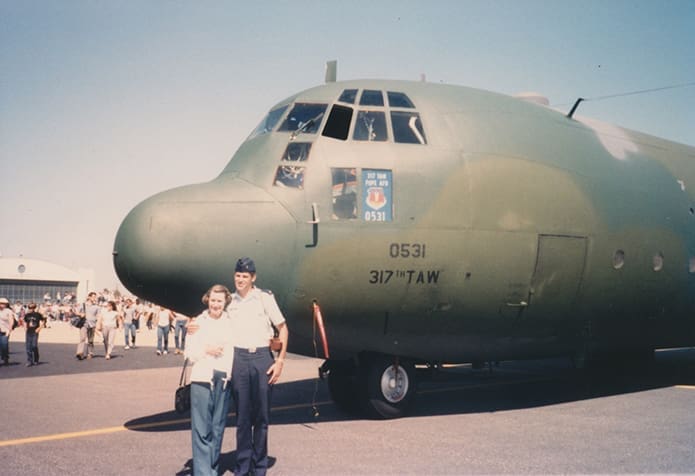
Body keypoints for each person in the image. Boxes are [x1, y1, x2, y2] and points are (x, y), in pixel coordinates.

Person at [228, 257, 288, 476]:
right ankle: (243, 467)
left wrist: (280, 360)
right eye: (238, 275)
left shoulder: (264, 298)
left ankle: (259, 466)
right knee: (242, 417)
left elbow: (283, 328)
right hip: (239, 359)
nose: (240, 280)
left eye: (245, 276)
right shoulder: (229, 301)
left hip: (262, 358)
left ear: (253, 278)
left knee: (261, 417)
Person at [185, 284, 235, 476]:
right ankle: (203, 472)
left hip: (223, 378)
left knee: (217, 428)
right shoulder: (198, 322)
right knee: (200, 430)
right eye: (213, 300)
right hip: (202, 378)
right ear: (208, 300)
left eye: (219, 301)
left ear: (225, 302)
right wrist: (207, 350)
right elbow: (189, 354)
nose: (215, 304)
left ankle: (212, 468)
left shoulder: (231, 323)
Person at [76, 291, 100, 360]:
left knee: (90, 340)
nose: (94, 298)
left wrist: (98, 325)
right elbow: (76, 311)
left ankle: (90, 353)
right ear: (89, 297)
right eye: (93, 296)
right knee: (82, 338)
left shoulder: (96, 307)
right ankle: (80, 353)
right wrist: (80, 314)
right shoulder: (83, 305)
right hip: (84, 324)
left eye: (95, 297)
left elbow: (98, 316)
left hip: (92, 325)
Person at [0, 297, 17, 365]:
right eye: (1, 303)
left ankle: (5, 358)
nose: (2, 305)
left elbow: (11, 321)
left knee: (4, 345)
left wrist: (9, 330)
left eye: (4, 304)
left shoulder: (8, 311)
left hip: (5, 330)